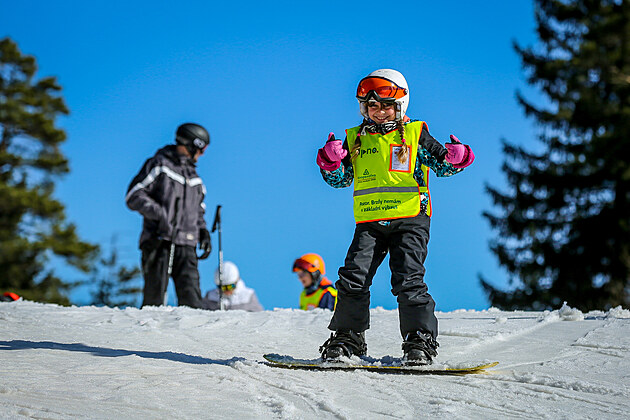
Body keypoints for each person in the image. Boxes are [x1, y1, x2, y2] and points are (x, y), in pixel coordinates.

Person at [315, 69, 475, 364]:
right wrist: (330, 162)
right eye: (372, 106)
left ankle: (420, 340)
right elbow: (340, 180)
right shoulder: (356, 139)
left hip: (410, 219)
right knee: (353, 277)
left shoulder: (414, 133)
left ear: (400, 105)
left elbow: (441, 164)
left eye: (386, 106)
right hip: (370, 222)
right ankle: (348, 337)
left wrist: (458, 158)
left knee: (408, 278)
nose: (378, 112)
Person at [126, 123, 212, 309]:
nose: (202, 154)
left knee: (193, 304)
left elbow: (199, 210)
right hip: (159, 241)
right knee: (155, 302)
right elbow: (133, 195)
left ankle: (192, 330)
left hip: (187, 244)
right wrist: (161, 215)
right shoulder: (160, 165)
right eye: (202, 149)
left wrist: (203, 231)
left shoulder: (195, 179)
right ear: (192, 145)